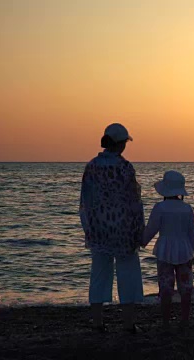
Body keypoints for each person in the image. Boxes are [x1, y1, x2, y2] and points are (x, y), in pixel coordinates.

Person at [79, 123, 145, 333]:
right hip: (123, 229)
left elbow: (85, 201)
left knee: (99, 274)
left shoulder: (91, 166)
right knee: (128, 274)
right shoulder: (125, 167)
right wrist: (139, 230)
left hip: (99, 228)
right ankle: (128, 323)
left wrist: (87, 227)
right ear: (121, 144)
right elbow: (134, 202)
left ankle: (97, 322)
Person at [141, 170, 194, 329]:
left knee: (165, 288)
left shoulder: (160, 207)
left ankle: (166, 321)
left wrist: (142, 241)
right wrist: (193, 249)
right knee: (185, 288)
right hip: (184, 249)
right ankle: (185, 319)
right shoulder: (187, 209)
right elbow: (192, 232)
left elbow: (151, 229)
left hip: (165, 250)